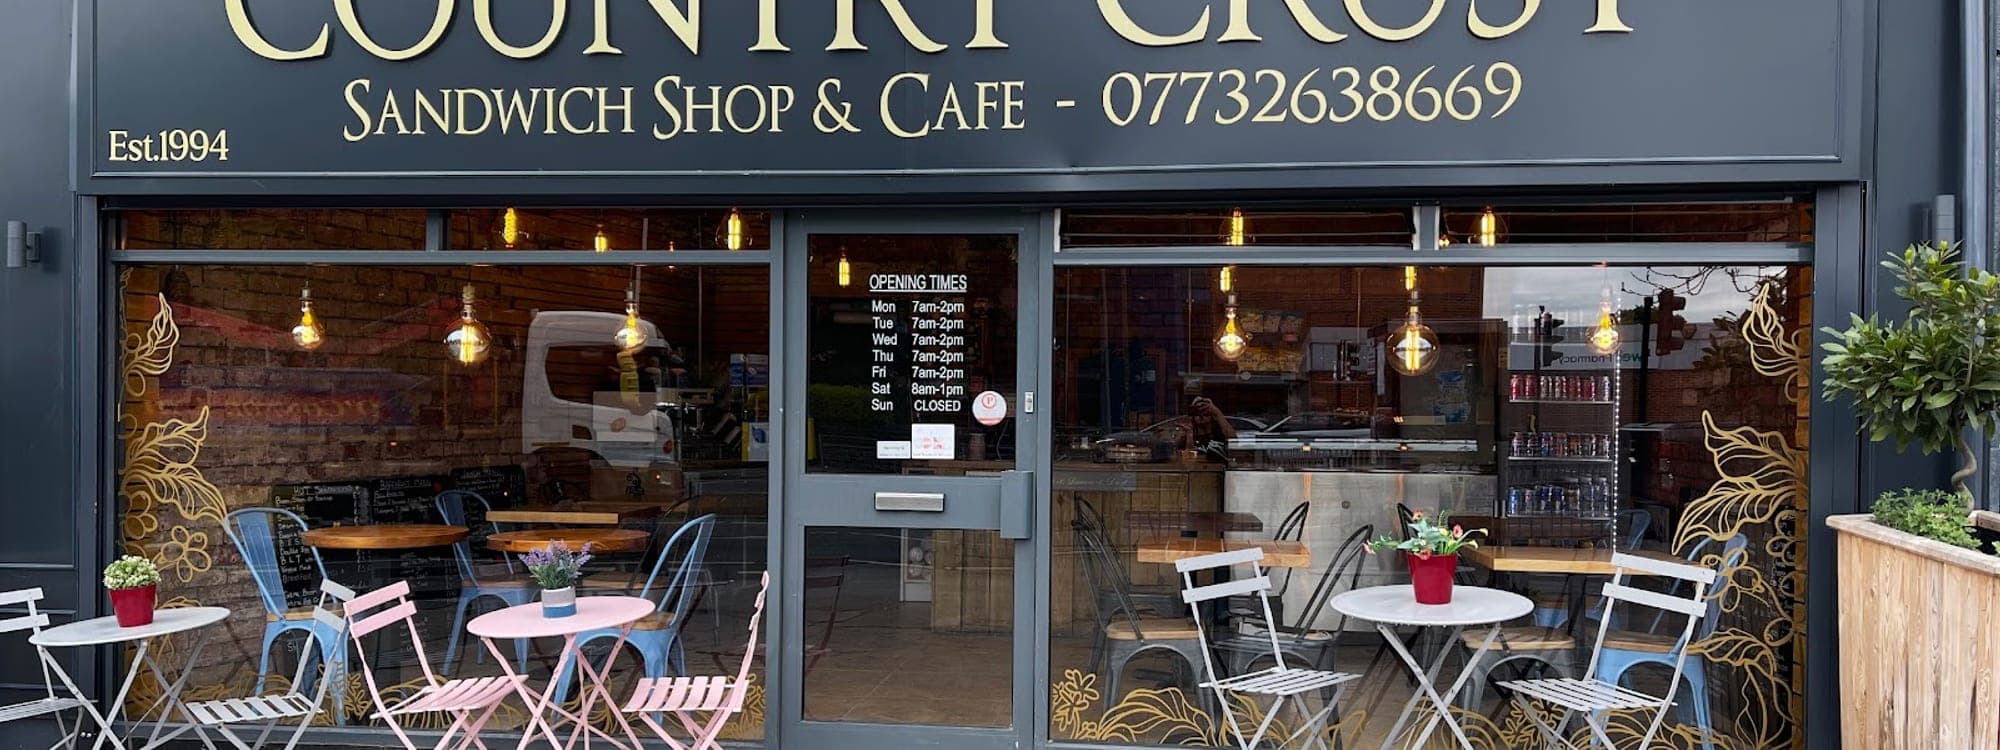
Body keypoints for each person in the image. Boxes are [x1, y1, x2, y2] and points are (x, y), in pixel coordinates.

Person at [1181, 395, 1236, 463]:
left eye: (1205, 412)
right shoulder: (1190, 430)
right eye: (1197, 413)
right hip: (1198, 466)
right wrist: (1189, 433)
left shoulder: (1220, 429)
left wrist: (1217, 412)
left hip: (1219, 465)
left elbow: (1233, 440)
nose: (1201, 416)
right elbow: (1189, 457)